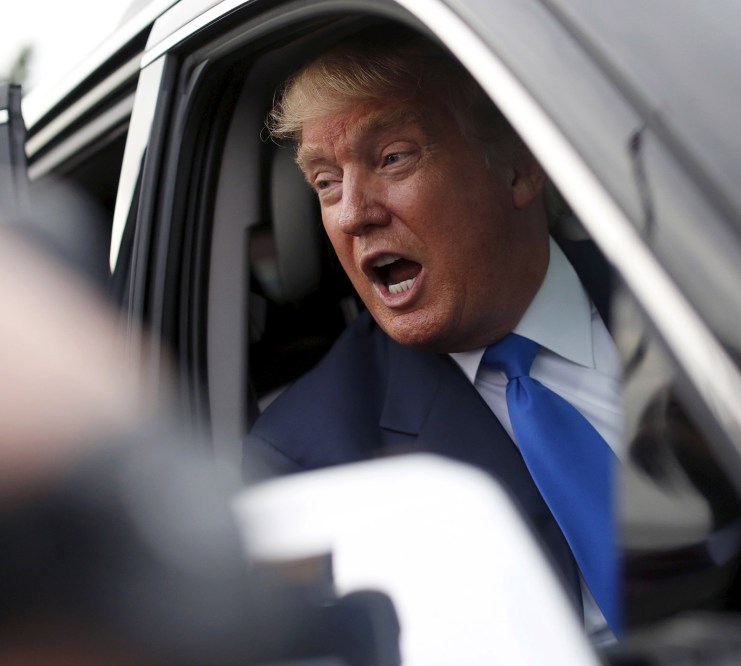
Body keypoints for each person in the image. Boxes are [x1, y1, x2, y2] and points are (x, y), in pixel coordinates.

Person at [244, 23, 623, 640]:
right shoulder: (306, 462)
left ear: (519, 168)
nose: (353, 213)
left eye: (392, 157)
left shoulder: (690, 296)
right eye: (325, 183)